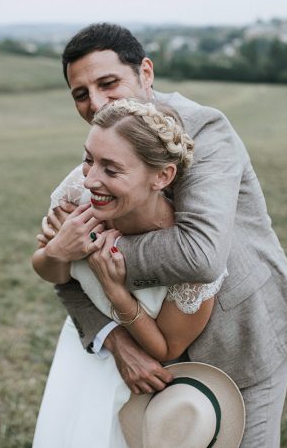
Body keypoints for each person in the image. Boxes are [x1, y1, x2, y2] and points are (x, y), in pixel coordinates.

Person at [35, 23, 287, 447]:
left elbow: (200, 254)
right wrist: (112, 338)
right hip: (146, 349)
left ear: (145, 73)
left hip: (239, 336)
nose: (95, 104)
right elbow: (61, 267)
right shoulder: (100, 152)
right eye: (81, 93)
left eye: (108, 83)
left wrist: (91, 251)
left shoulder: (205, 130)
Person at [32, 99, 229, 446]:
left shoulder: (191, 258)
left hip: (142, 387)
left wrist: (116, 291)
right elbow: (49, 271)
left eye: (111, 169)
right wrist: (58, 251)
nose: (91, 180)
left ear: (162, 176)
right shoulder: (77, 197)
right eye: (88, 160)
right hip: (82, 355)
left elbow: (166, 348)